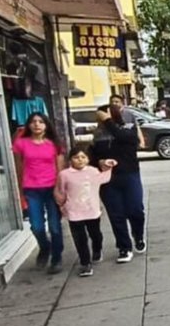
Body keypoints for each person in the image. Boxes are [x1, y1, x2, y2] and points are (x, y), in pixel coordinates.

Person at [92, 104, 147, 262]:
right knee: (116, 214)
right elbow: (92, 156)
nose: (99, 119)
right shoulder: (98, 134)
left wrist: (108, 120)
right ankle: (124, 247)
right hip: (108, 178)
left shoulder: (128, 129)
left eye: (101, 116)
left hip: (130, 175)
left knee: (135, 209)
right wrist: (100, 161)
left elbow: (124, 138)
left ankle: (138, 235)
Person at [12, 112, 66, 273]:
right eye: (33, 121)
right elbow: (18, 166)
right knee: (36, 226)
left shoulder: (54, 144)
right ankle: (45, 247)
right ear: (28, 125)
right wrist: (20, 188)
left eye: (40, 121)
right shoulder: (21, 143)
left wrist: (60, 189)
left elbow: (60, 168)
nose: (37, 124)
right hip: (31, 189)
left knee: (55, 226)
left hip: (51, 188)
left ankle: (57, 258)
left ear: (46, 125)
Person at [55, 145, 116, 278]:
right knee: (79, 238)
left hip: (92, 210)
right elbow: (60, 191)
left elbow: (104, 178)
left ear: (88, 159)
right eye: (76, 157)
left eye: (83, 157)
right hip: (74, 211)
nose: (80, 160)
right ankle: (85, 263)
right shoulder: (64, 174)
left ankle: (97, 249)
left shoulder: (93, 171)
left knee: (96, 234)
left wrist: (108, 166)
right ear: (70, 159)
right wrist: (61, 204)